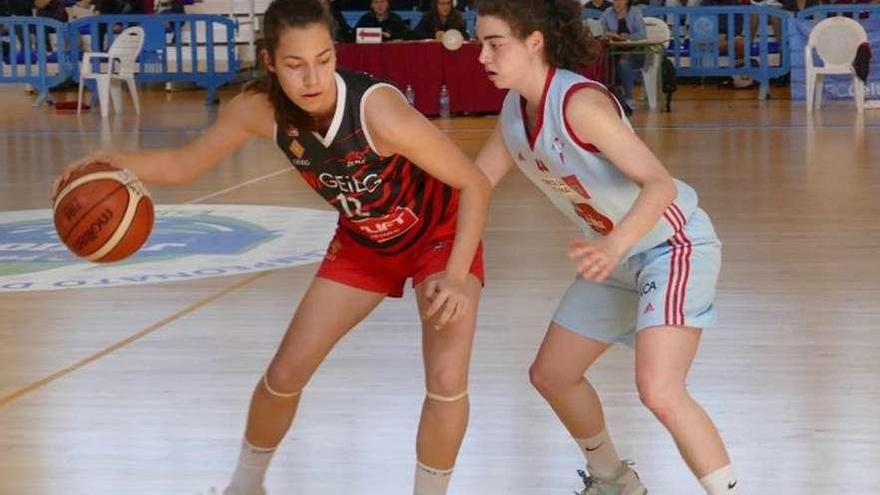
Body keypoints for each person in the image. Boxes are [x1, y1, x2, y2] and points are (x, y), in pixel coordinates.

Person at [52, 1, 491, 494]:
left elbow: (474, 183)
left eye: (324, 60)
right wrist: (109, 161)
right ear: (269, 62)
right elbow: (184, 164)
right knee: (285, 372)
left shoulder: (379, 112)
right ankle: (245, 486)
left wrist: (456, 275)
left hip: (438, 235)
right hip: (366, 239)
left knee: (447, 381)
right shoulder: (257, 110)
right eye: (295, 64)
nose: (313, 77)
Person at [472, 0, 740, 493]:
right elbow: (473, 183)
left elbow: (659, 184)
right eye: (480, 44)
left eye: (495, 44)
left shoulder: (580, 106)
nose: (483, 57)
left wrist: (615, 244)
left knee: (660, 391)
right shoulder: (515, 110)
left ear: (535, 42)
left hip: (669, 245)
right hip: (614, 257)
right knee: (552, 374)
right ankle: (613, 479)